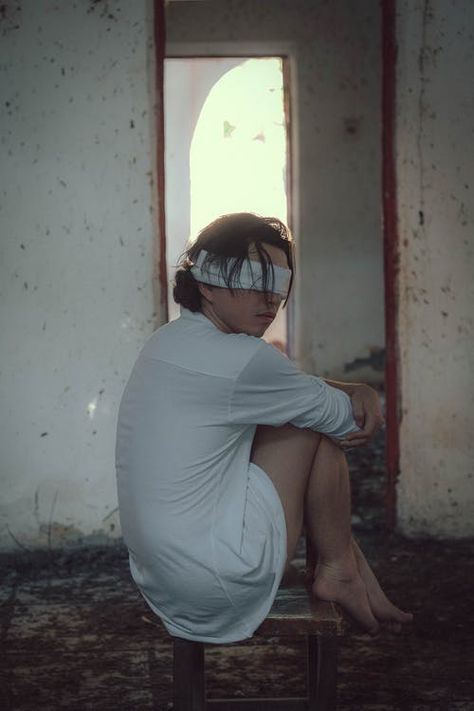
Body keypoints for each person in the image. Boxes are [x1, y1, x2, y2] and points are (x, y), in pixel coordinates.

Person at [115, 212, 412, 643]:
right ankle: (338, 569)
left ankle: (342, 565)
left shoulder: (170, 340)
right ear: (207, 284)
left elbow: (276, 388)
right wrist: (357, 391)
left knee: (295, 409)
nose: (270, 300)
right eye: (254, 282)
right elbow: (346, 418)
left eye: (277, 285)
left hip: (164, 582)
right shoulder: (245, 360)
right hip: (217, 580)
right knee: (313, 426)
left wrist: (347, 385)